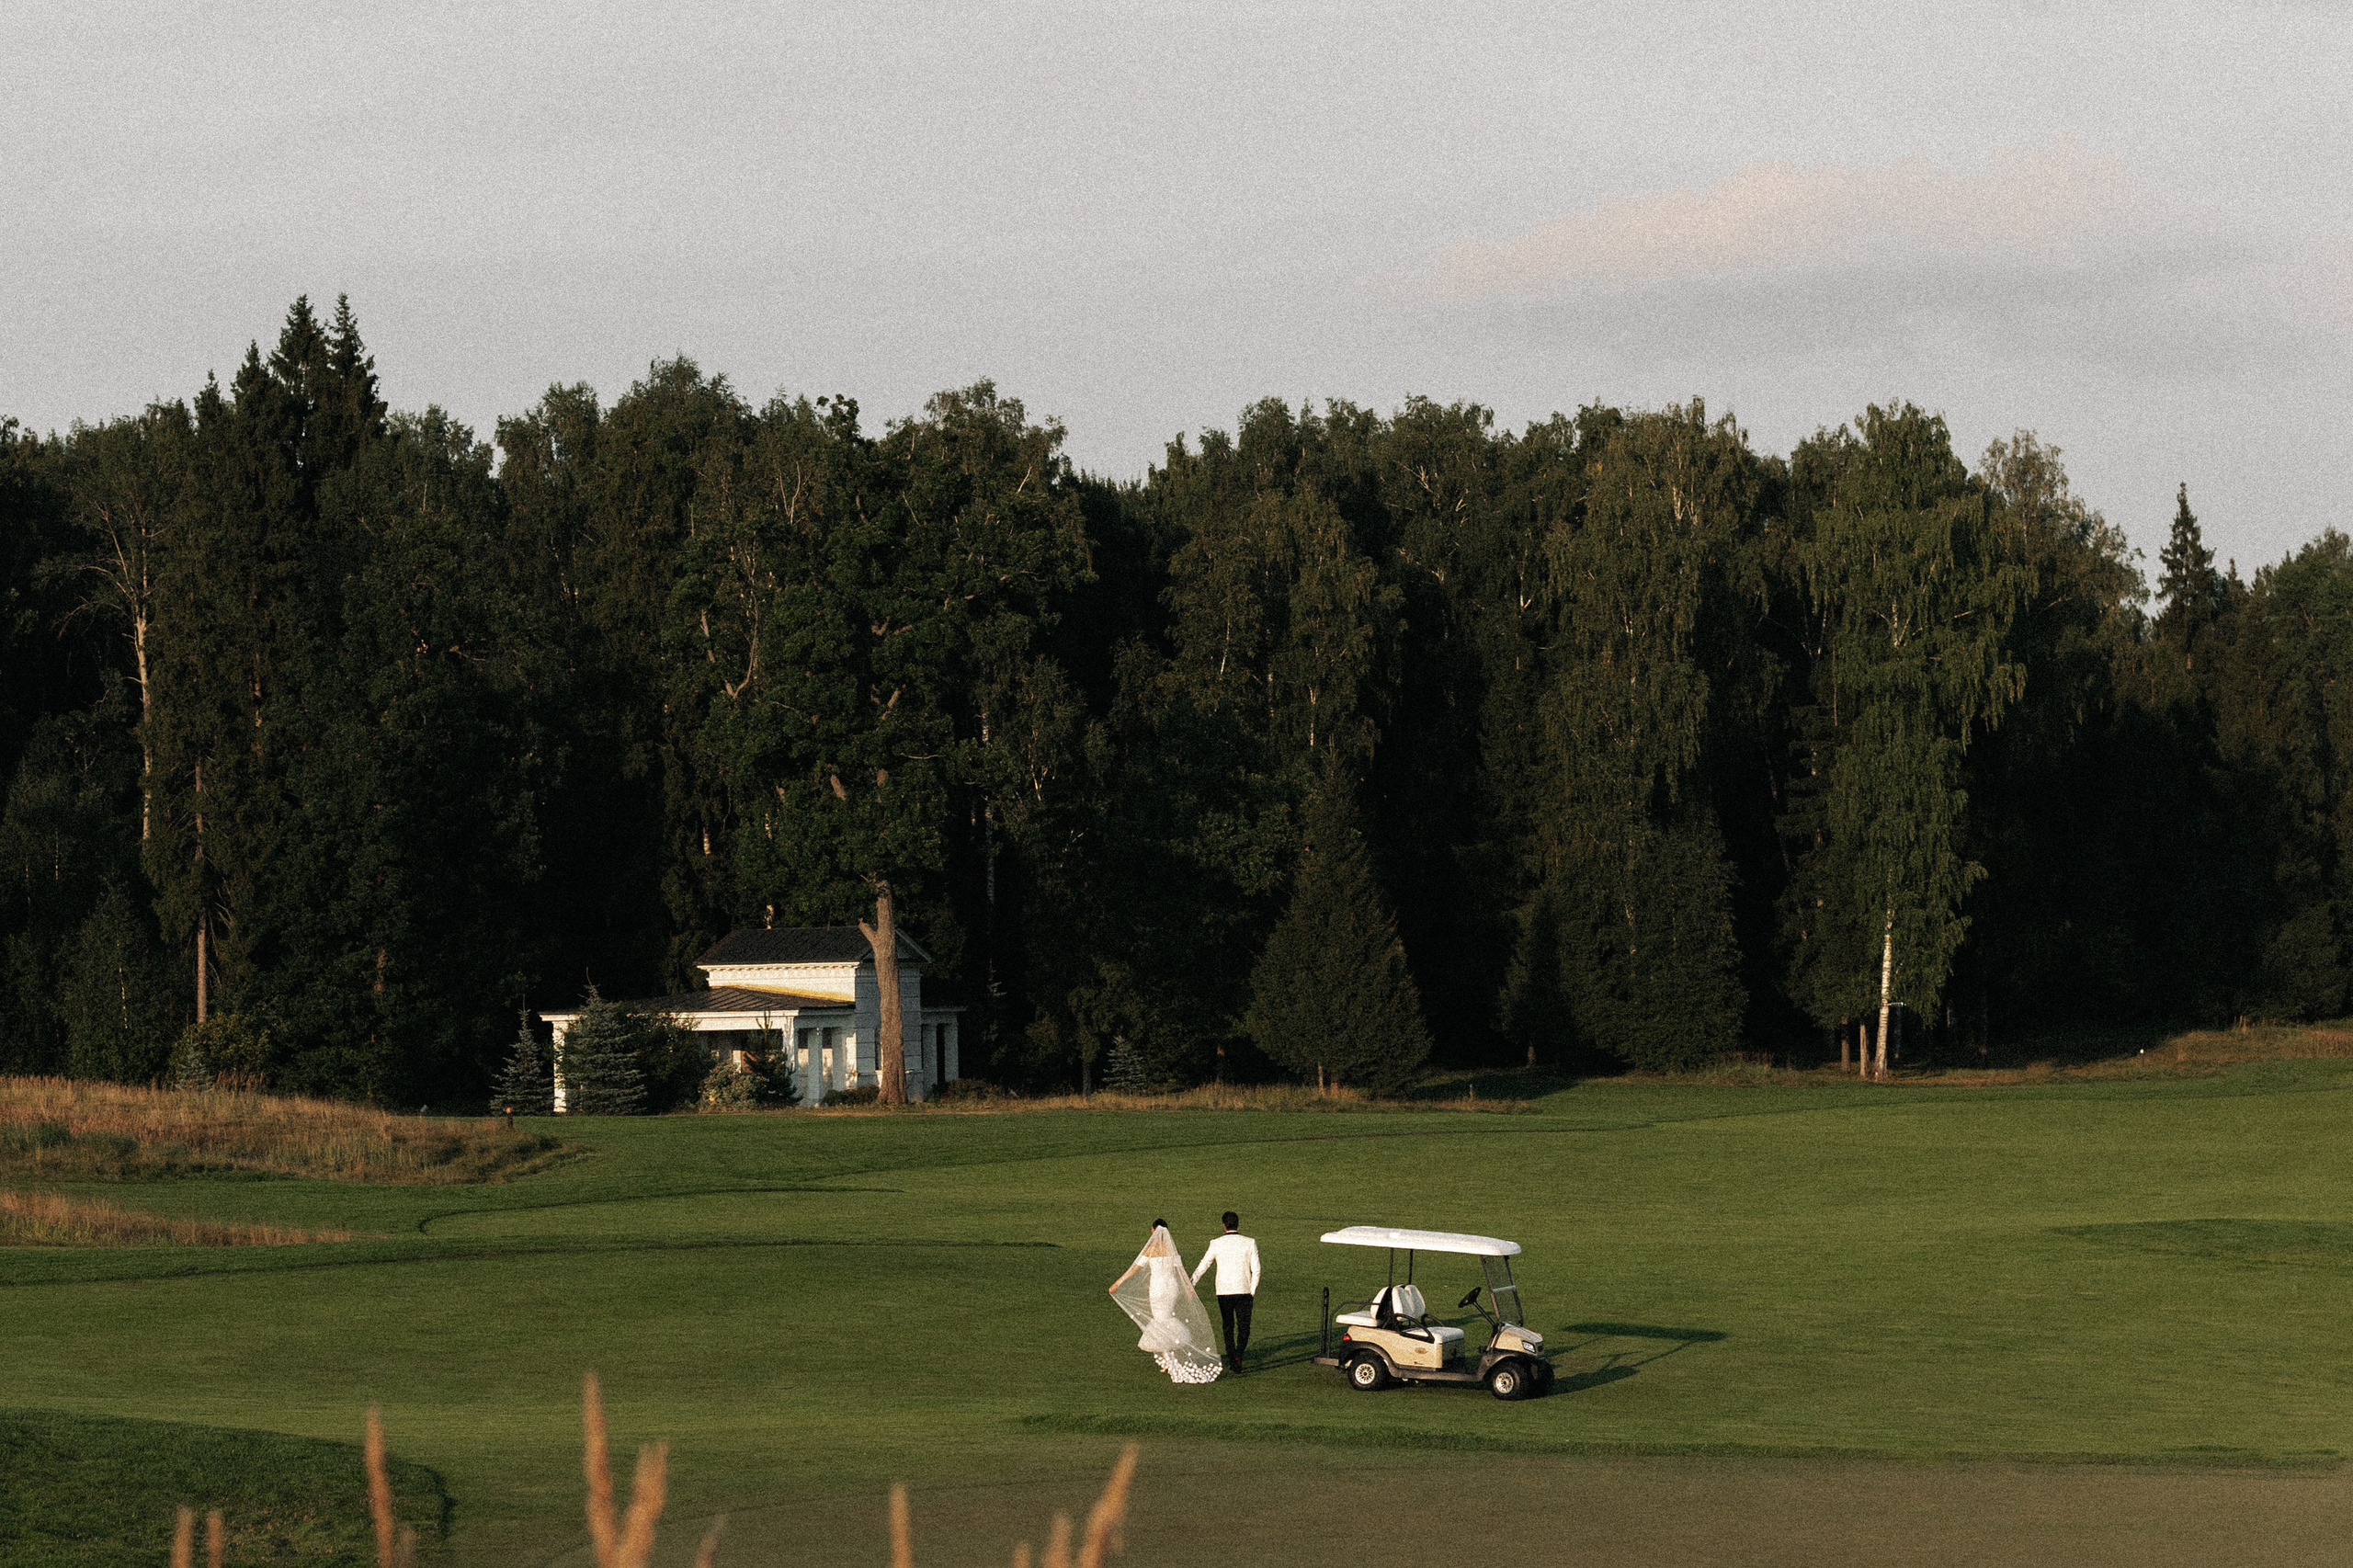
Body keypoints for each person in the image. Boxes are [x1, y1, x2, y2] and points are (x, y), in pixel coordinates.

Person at [1108, 1220, 1222, 1383]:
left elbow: (1135, 1268)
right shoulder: (1171, 1247)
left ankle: (1170, 1360)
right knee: (1165, 1320)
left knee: (1160, 1322)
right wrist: (1189, 1288)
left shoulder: (1151, 1248)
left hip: (1158, 1288)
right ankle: (1170, 1357)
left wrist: (1117, 1283)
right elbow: (1181, 1270)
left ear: (1154, 1230)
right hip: (1172, 1288)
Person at [1190, 1210, 1261, 1371]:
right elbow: (1256, 1269)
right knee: (1244, 1327)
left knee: (1228, 1326)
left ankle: (1232, 1356)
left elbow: (1204, 1264)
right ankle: (1238, 1355)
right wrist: (1252, 1289)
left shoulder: (1216, 1243)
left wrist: (1192, 1282)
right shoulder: (1249, 1242)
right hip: (1244, 1290)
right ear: (1237, 1224)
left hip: (1223, 1290)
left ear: (1224, 1226)